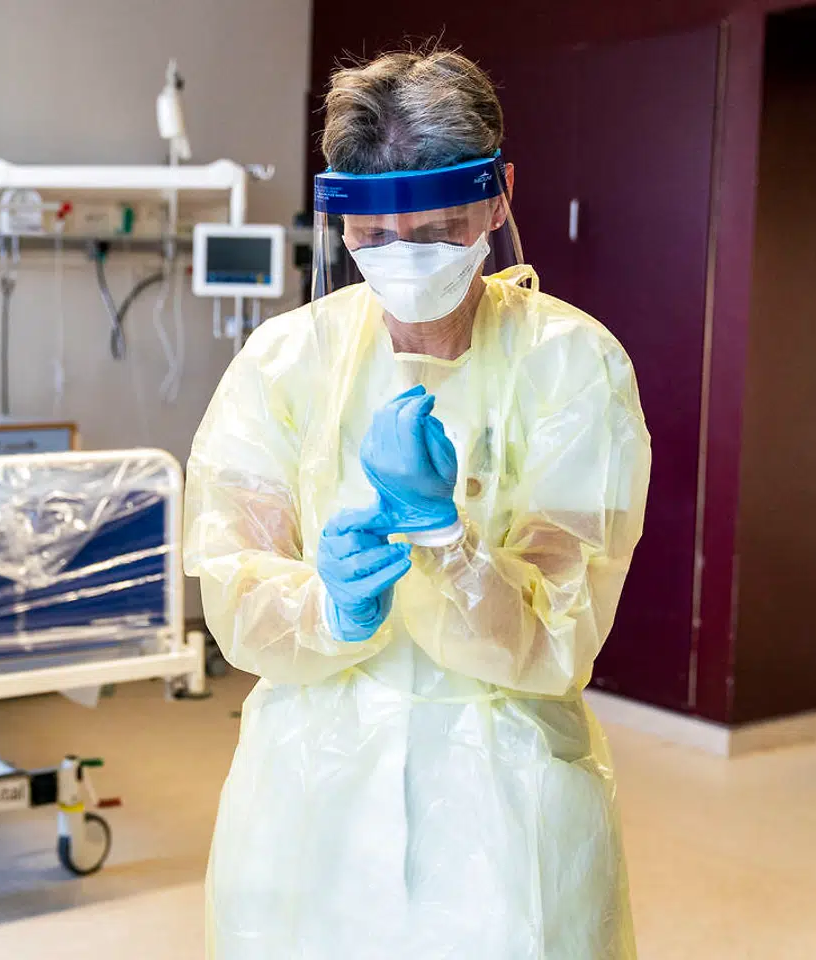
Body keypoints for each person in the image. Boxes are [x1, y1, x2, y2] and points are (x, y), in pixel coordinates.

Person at [185, 49, 650, 959]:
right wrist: (329, 605)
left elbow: (556, 637)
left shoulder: (572, 366)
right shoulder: (284, 363)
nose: (406, 258)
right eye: (376, 236)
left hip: (506, 803)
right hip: (311, 793)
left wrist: (446, 538)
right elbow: (237, 595)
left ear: (498, 197)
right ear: (341, 222)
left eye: (437, 231)